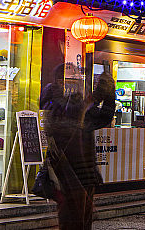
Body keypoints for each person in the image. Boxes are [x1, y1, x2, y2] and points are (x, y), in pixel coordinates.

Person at [40, 64, 115, 230]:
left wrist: (106, 91)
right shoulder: (60, 108)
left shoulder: (77, 112)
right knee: (73, 219)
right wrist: (105, 90)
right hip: (70, 174)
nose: (77, 83)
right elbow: (92, 112)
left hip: (83, 174)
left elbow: (104, 115)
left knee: (80, 219)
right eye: (72, 79)